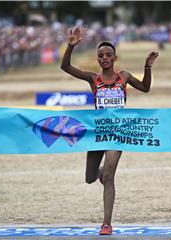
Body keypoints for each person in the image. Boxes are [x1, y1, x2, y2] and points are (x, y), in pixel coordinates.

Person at [61, 27, 159, 235]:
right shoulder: (93, 79)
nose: (104, 58)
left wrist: (147, 68)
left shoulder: (123, 77)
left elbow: (145, 88)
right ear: (97, 60)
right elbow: (66, 66)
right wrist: (70, 46)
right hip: (97, 133)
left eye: (108, 55)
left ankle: (106, 224)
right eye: (100, 56)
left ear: (115, 58)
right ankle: (101, 174)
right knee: (90, 177)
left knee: (109, 176)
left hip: (117, 134)